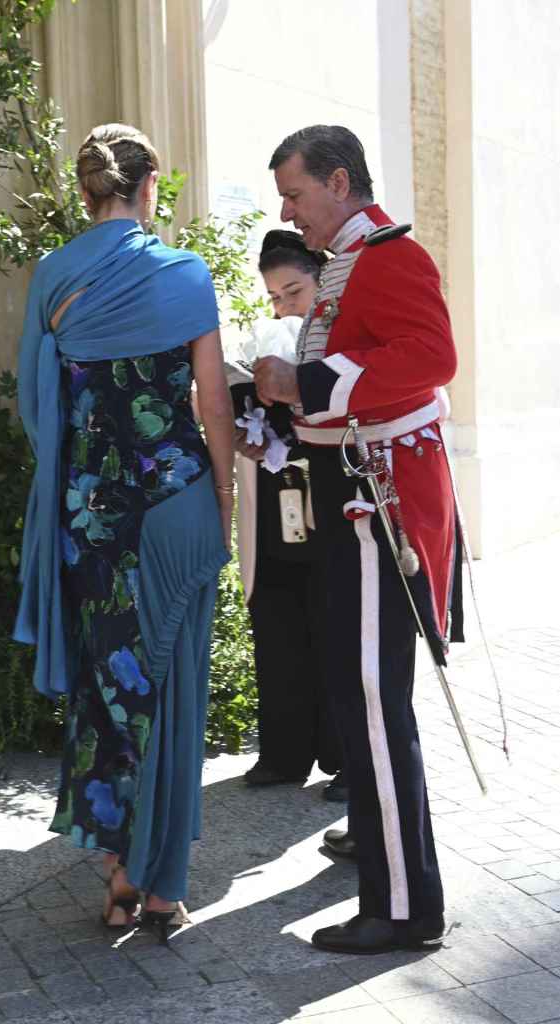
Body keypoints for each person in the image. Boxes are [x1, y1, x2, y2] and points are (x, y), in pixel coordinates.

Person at [13, 123, 234, 943]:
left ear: (84, 193)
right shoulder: (183, 273)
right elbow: (213, 405)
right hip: (176, 506)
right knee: (173, 689)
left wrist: (81, 488)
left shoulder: (53, 275)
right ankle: (159, 881)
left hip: (90, 517)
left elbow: (40, 411)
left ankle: (116, 871)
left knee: (108, 690)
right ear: (149, 191)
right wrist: (225, 502)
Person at [254, 125, 463, 954]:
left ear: (338, 183)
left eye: (296, 194)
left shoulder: (384, 254)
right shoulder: (349, 259)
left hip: (373, 504)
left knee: (373, 706)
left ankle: (404, 906)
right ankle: (395, 883)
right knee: (361, 698)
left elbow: (430, 356)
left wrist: (302, 380)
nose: (287, 212)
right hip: (352, 496)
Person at [233, 230, 347, 800]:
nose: (284, 307)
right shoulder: (262, 340)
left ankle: (349, 757)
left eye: (294, 291)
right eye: (275, 298)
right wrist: (247, 424)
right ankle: (283, 751)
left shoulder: (346, 329)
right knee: (276, 620)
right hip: (276, 500)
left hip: (331, 498)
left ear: (320, 279)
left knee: (338, 626)